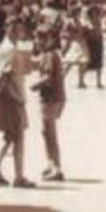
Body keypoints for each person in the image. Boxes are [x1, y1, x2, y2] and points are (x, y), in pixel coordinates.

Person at [0, 14, 35, 188]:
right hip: (11, 97)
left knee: (11, 137)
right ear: (9, 29)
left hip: (10, 96)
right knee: (18, 136)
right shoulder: (9, 49)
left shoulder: (9, 47)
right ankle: (19, 176)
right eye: (16, 28)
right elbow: (2, 76)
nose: (20, 31)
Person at [30, 23, 69, 181]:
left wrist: (34, 85)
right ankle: (51, 163)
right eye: (38, 37)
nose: (40, 41)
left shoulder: (49, 55)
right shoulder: (52, 54)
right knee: (46, 132)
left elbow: (48, 78)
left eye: (44, 37)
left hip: (50, 98)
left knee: (49, 134)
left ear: (52, 39)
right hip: (56, 97)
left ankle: (57, 167)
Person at [82, 7, 105, 89]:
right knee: (88, 63)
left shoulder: (99, 22)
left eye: (96, 12)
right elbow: (85, 34)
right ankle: (81, 80)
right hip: (91, 44)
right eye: (93, 13)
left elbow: (100, 32)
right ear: (90, 14)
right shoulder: (87, 23)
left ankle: (99, 82)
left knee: (99, 64)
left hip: (98, 44)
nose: (95, 14)